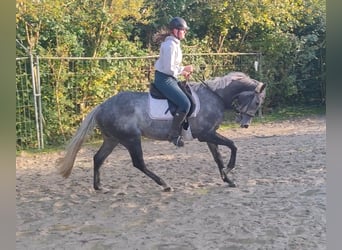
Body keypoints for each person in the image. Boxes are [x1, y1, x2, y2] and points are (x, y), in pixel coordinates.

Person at [153, 17, 194, 147]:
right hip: (164, 79)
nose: (185, 33)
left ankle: (184, 129)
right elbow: (169, 68)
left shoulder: (175, 43)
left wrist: (183, 72)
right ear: (176, 31)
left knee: (190, 98)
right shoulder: (170, 45)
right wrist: (184, 69)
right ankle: (173, 134)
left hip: (170, 78)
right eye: (183, 30)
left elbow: (173, 68)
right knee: (185, 104)